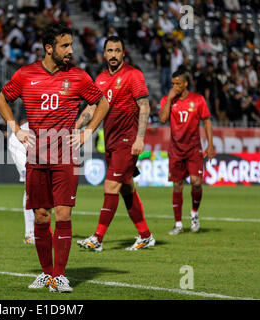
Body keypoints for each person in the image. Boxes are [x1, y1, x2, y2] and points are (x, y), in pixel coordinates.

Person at [0, 22, 109, 293]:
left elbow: (103, 102)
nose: (70, 50)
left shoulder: (79, 77)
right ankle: (46, 274)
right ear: (49, 48)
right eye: (64, 45)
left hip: (66, 156)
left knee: (63, 213)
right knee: (42, 217)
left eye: (71, 44)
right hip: (36, 156)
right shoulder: (25, 74)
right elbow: (2, 99)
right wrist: (16, 130)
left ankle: (60, 275)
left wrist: (87, 132)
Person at [77, 36, 155, 252]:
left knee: (110, 185)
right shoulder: (100, 79)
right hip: (111, 142)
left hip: (127, 141)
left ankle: (97, 238)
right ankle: (146, 236)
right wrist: (76, 128)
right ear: (104, 54)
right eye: (109, 50)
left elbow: (145, 106)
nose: (113, 54)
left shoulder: (133, 75)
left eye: (117, 50)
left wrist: (140, 138)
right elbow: (92, 108)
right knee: (126, 189)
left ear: (123, 53)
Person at [159, 70, 215, 235]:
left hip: (193, 149)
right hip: (176, 150)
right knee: (177, 185)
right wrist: (169, 99)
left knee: (197, 182)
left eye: (178, 83)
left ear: (185, 84)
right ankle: (178, 224)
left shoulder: (198, 100)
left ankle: (194, 214)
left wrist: (210, 144)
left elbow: (207, 121)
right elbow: (162, 119)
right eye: (172, 84)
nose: (175, 87)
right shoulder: (166, 100)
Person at [7, 120, 35, 244]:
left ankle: (40, 229)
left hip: (35, 143)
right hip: (19, 144)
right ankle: (29, 233)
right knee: (30, 184)